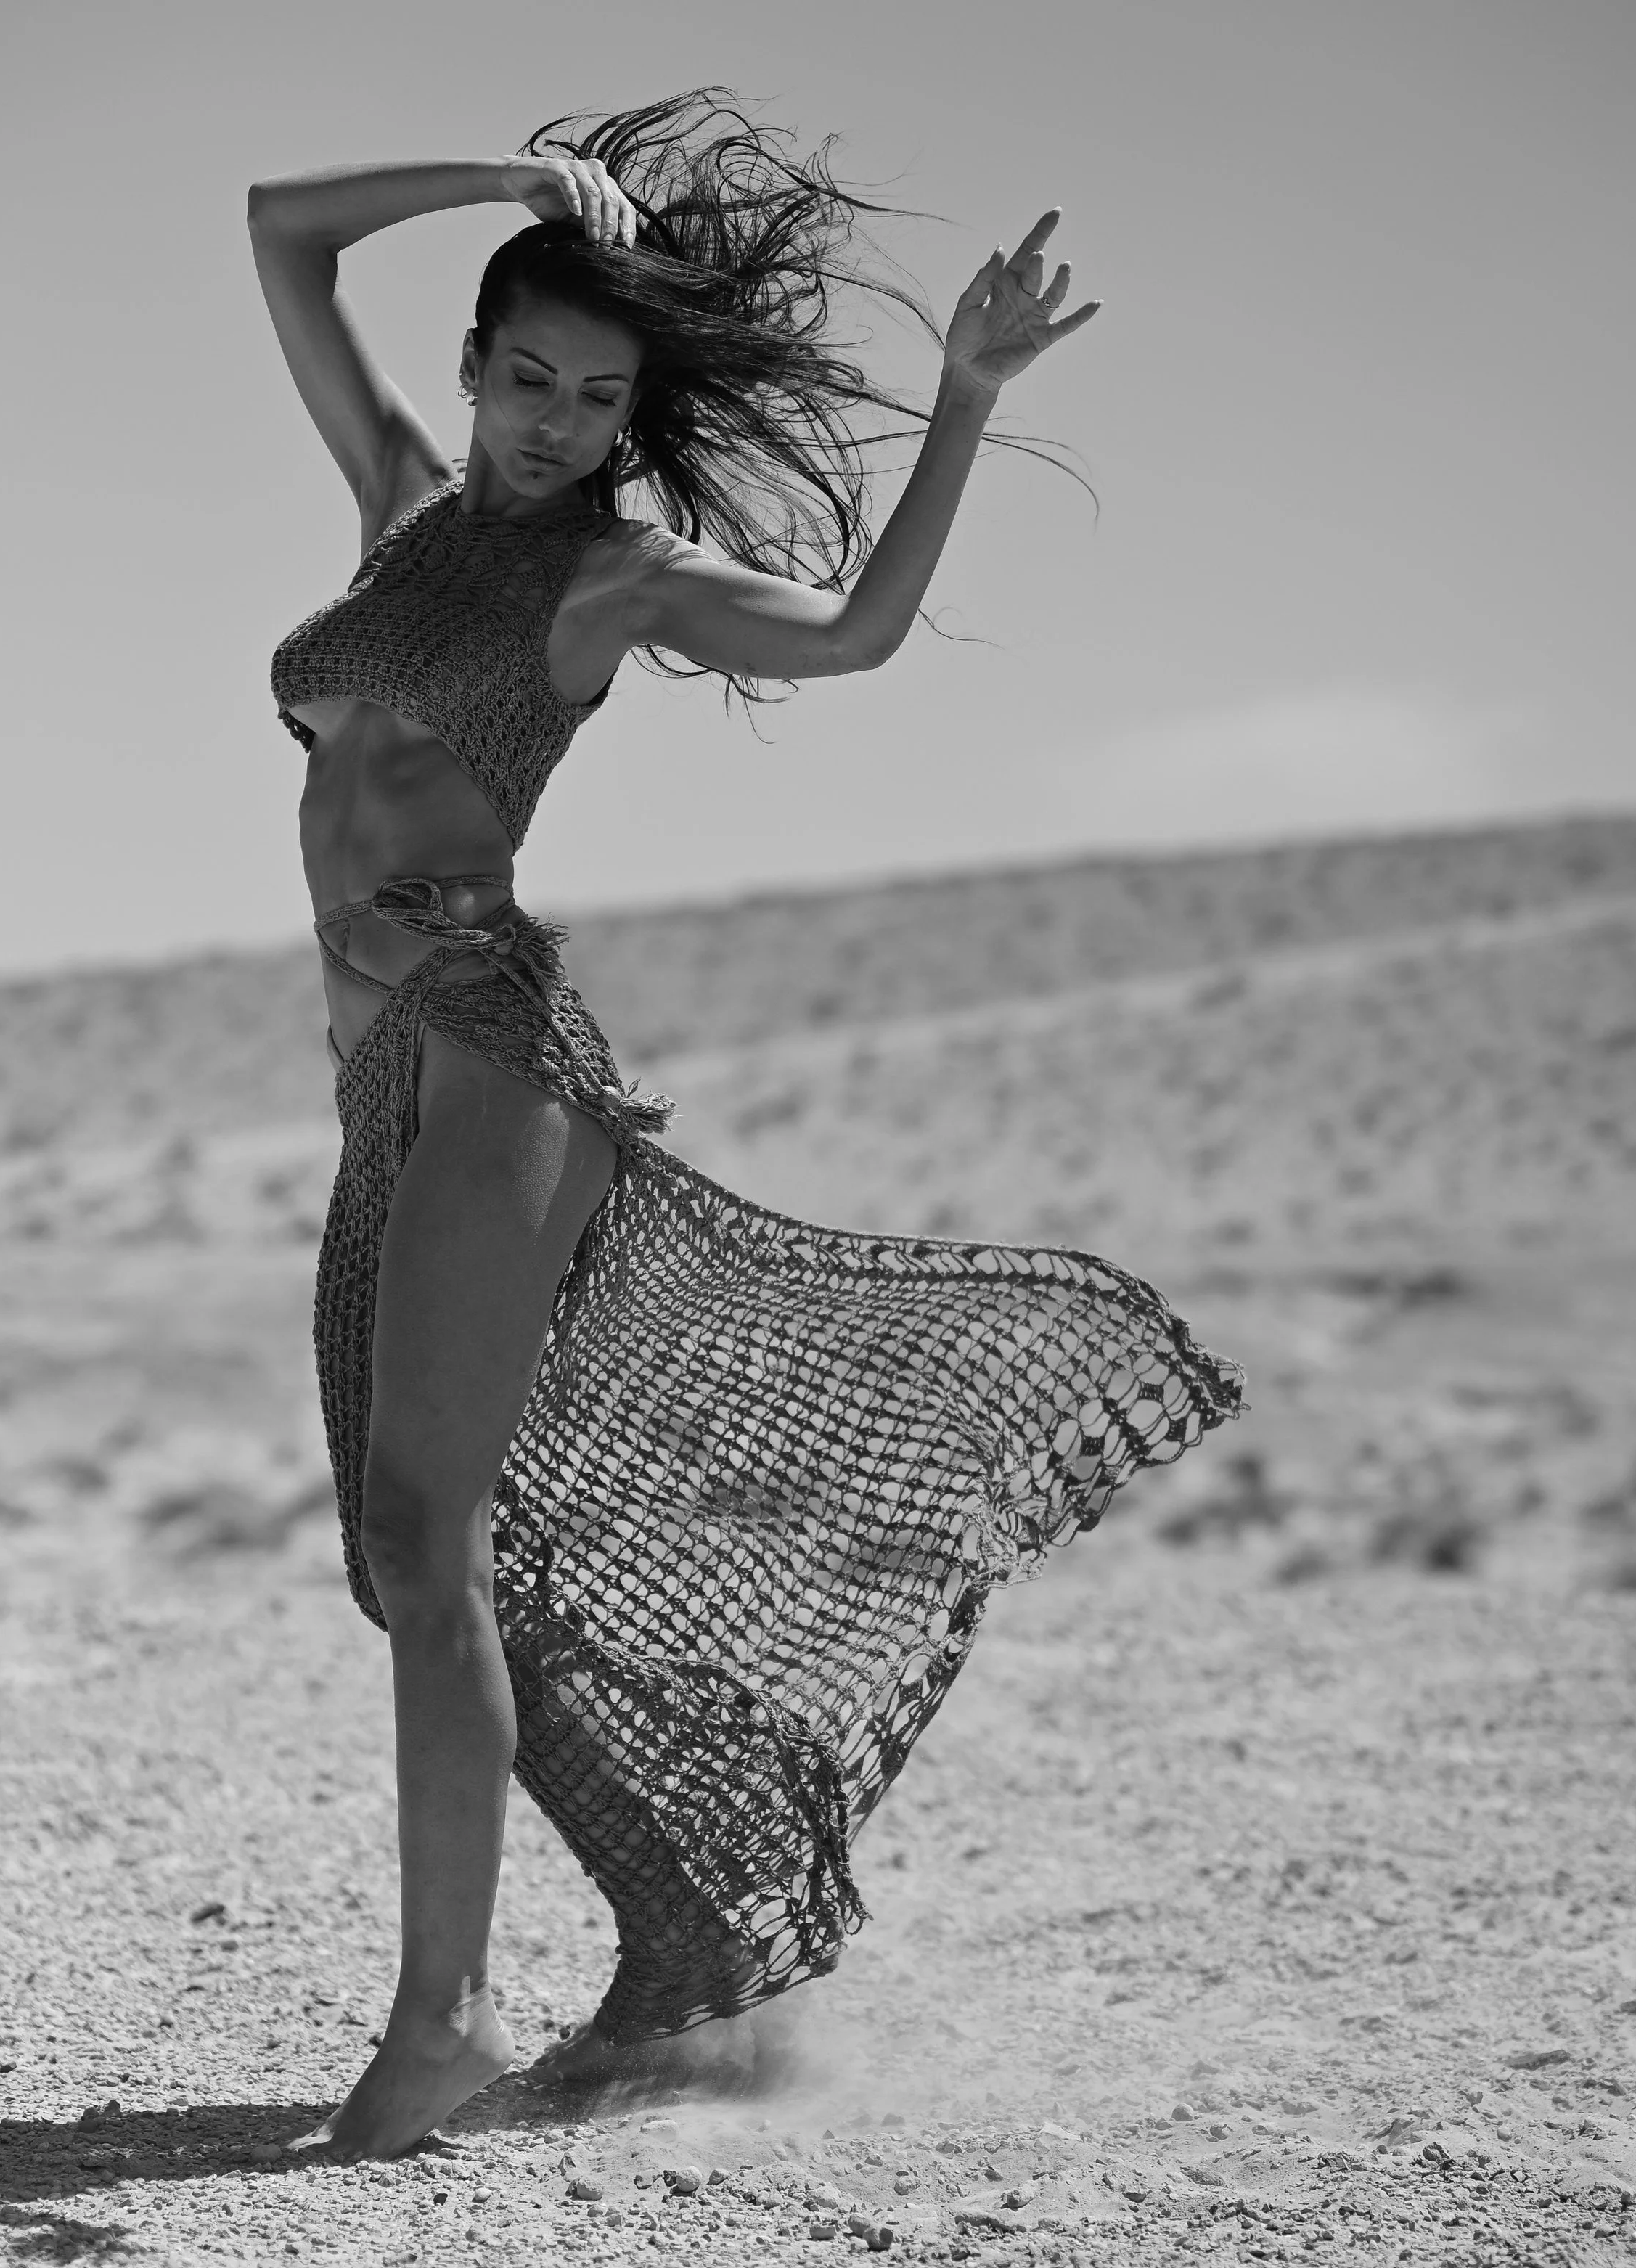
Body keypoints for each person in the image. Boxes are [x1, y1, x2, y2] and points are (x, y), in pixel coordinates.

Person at [248, 91, 1243, 2163]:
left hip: (493, 1051)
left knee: (429, 1556)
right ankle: (684, 1926)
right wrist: (507, 181)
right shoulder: (401, 511)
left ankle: (436, 2022)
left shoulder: (610, 578)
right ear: (475, 368)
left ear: (629, 419)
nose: (547, 418)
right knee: (408, 1560)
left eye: (593, 397)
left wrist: (960, 399)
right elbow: (279, 227)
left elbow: (860, 635)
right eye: (523, 373)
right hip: (379, 1080)